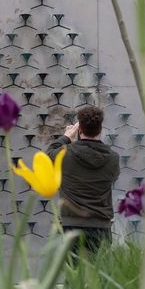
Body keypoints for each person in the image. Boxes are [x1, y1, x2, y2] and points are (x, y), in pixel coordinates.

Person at [46, 106, 120, 253]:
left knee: (73, 274)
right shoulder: (113, 158)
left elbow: (47, 157)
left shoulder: (65, 154)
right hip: (101, 227)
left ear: (80, 129)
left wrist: (67, 137)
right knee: (100, 274)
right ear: (101, 129)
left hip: (71, 226)